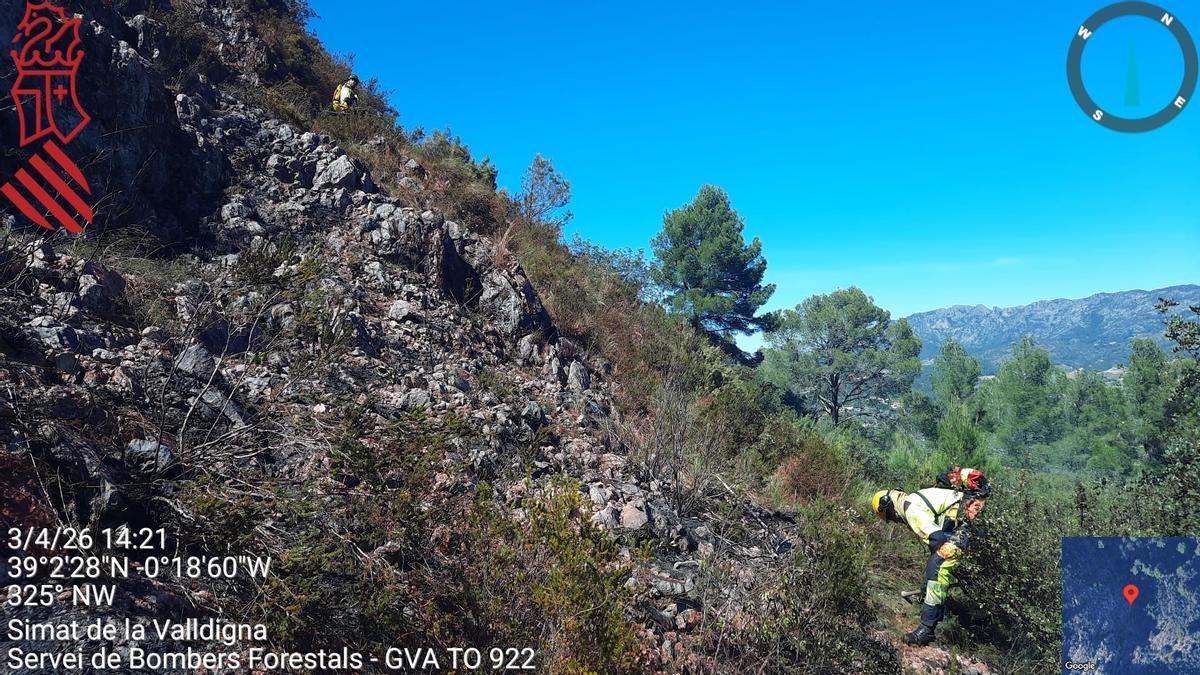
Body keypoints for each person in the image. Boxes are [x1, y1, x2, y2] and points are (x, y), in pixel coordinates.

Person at [871, 484, 986, 646]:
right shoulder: (916, 498)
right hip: (973, 519)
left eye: (890, 516)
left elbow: (938, 540)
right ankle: (977, 616)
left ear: (889, 505)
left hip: (971, 520)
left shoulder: (910, 509)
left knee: (938, 564)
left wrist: (931, 580)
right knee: (949, 570)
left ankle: (926, 629)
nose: (895, 521)